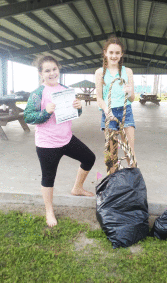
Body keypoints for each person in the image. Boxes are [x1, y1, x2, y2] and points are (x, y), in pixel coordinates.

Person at [24, 56, 95, 227]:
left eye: (54, 69)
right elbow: (28, 116)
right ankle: (49, 211)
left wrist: (78, 109)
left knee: (89, 158)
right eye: (47, 70)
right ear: (41, 74)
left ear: (58, 70)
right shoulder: (37, 93)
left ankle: (77, 188)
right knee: (48, 177)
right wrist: (45, 112)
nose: (51, 73)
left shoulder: (66, 90)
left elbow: (73, 114)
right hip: (47, 144)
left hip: (67, 138)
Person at [95, 35, 136, 171]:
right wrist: (107, 111)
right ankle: (113, 181)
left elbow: (132, 99)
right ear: (105, 53)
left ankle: (133, 182)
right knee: (111, 153)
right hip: (109, 113)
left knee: (129, 150)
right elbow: (99, 98)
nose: (114, 56)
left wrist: (129, 92)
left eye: (117, 53)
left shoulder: (127, 71)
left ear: (121, 54)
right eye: (111, 52)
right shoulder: (100, 72)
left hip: (126, 112)